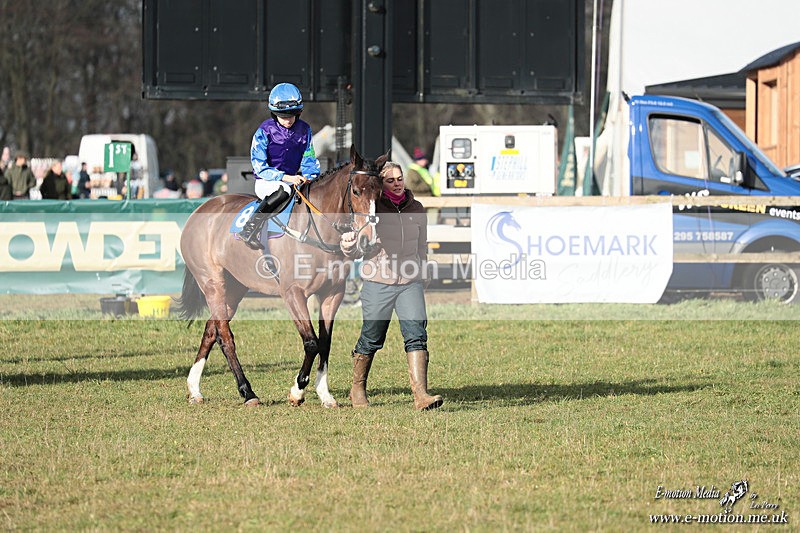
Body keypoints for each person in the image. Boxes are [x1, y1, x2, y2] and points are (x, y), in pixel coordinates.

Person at [341, 161, 443, 410]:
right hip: (379, 282)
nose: (397, 183)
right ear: (381, 185)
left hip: (410, 282)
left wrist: (424, 271)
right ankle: (357, 389)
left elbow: (422, 245)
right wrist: (347, 243)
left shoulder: (416, 208)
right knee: (372, 337)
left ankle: (421, 395)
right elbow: (355, 249)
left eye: (399, 179)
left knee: (417, 335)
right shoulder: (371, 210)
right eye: (391, 180)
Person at [237, 82, 320, 248]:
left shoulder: (305, 130)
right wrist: (286, 177)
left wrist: (311, 178)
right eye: (283, 116)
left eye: (292, 115)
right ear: (275, 114)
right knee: (285, 190)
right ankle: (249, 229)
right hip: (266, 181)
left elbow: (309, 158)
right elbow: (259, 167)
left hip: (294, 180)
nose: (288, 120)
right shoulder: (264, 131)